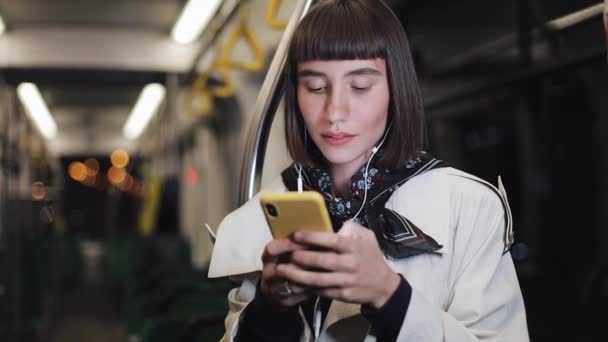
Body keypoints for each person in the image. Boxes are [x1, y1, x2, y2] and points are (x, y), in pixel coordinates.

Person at [208, 0, 529, 341]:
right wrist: (272, 308)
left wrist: (389, 297)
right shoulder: (261, 216)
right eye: (316, 87)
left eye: (360, 86)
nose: (334, 111)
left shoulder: (468, 206)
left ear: (396, 88)